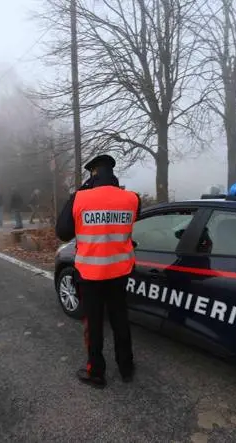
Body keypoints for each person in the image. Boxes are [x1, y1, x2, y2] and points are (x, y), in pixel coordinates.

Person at [56, 154, 141, 389]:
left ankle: (97, 372)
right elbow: (130, 223)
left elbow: (62, 233)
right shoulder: (132, 198)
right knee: (120, 320)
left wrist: (78, 193)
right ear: (112, 174)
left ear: (92, 174)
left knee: (93, 325)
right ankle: (126, 367)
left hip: (91, 275)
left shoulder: (80, 198)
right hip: (120, 272)